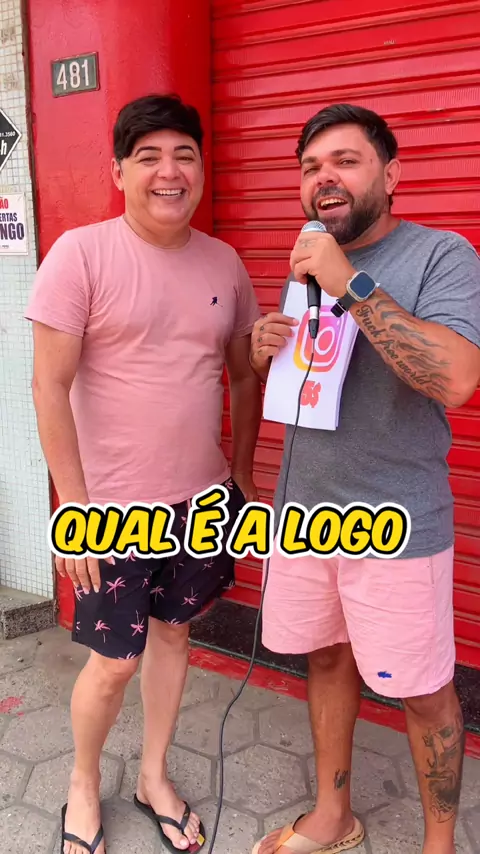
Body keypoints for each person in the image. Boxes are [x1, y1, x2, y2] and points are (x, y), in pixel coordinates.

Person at [25, 93, 262, 854]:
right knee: (113, 662)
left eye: (184, 155)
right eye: (149, 156)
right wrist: (74, 510)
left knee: (174, 639)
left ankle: (153, 776)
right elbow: (48, 386)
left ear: (201, 170)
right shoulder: (81, 255)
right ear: (119, 172)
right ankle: (81, 781)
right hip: (111, 512)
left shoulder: (224, 262)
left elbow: (243, 374)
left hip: (201, 503)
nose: (169, 171)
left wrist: (243, 473)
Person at [249, 103, 480, 854]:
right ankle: (333, 814)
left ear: (391, 173)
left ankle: (439, 844)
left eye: (345, 161)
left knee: (422, 689)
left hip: (397, 524)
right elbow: (309, 383)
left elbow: (454, 379)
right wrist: (262, 350)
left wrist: (347, 280)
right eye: (311, 168)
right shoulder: (307, 262)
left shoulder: (441, 255)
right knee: (324, 657)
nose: (325, 178)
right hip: (307, 515)